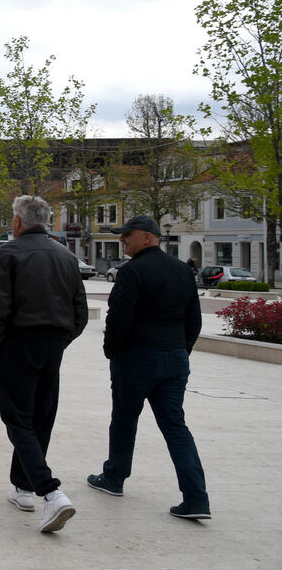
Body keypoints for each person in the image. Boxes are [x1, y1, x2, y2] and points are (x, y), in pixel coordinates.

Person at [88, 215, 209, 520]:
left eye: (127, 234)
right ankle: (196, 498)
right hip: (174, 358)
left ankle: (114, 477)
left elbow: (119, 318)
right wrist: (181, 350)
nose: (122, 239)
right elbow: (194, 319)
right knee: (175, 426)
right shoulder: (183, 270)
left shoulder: (132, 272)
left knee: (124, 419)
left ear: (147, 237)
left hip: (137, 358)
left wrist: (112, 352)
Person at [0, 195, 88, 533]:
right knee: (40, 417)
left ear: (17, 221)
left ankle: (50, 491)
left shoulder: (7, 253)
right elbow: (80, 310)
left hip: (17, 341)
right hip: (53, 343)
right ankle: (23, 487)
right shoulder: (67, 256)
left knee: (17, 417)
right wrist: (62, 339)